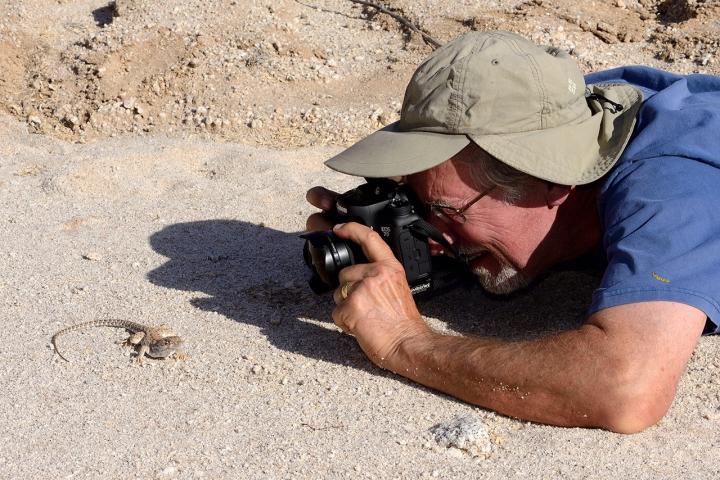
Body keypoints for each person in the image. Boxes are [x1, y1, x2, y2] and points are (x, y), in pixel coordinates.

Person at [305, 30, 720, 433]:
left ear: (554, 179)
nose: (434, 236)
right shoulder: (544, 109)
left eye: (445, 212)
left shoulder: (671, 186)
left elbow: (626, 390)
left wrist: (404, 341)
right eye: (419, 202)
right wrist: (387, 232)